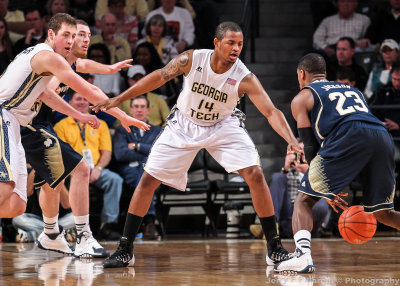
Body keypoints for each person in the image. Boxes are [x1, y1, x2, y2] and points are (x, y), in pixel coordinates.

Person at [93, 21, 302, 268]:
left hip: (223, 124)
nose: (236, 48)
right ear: (216, 43)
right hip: (184, 122)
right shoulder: (191, 59)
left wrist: (291, 139)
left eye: (240, 44)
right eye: (231, 43)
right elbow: (158, 77)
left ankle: (274, 247)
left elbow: (271, 111)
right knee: (148, 179)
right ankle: (125, 249)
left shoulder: (245, 77)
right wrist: (119, 99)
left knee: (255, 173)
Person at [18, 15, 149, 257]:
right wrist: (85, 116)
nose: (85, 39)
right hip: (27, 124)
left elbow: (92, 78)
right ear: (64, 38)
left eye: (88, 35)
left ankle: (50, 234)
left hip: (36, 125)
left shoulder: (71, 63)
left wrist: (110, 73)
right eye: (79, 35)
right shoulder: (54, 63)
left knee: (51, 181)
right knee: (81, 169)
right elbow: (58, 93)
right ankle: (83, 237)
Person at [274, 53, 400, 273]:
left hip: (350, 135)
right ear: (325, 74)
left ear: (301, 74)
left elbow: (311, 147)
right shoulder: (353, 90)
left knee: (304, 199)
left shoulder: (302, 98)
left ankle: (302, 256)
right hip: (381, 136)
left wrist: (323, 189)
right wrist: (327, 187)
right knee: (383, 213)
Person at [54, 91, 124, 240]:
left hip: (95, 169)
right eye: (78, 98)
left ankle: (107, 225)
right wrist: (77, 171)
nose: (82, 102)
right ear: (70, 102)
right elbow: (60, 154)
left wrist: (98, 169)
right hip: (71, 171)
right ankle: (74, 225)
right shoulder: (61, 125)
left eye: (85, 99)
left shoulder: (101, 124)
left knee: (114, 180)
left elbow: (106, 153)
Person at [113, 95, 162, 239]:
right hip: (127, 169)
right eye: (136, 107)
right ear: (130, 110)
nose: (139, 110)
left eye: (142, 107)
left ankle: (137, 224)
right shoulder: (122, 129)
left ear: (148, 110)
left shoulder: (157, 131)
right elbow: (120, 154)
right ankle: (150, 221)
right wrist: (146, 154)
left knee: (145, 170)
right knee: (146, 170)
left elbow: (160, 153)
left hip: (148, 170)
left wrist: (136, 146)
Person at [269, 141, 330, 238]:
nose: (300, 156)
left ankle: (309, 233)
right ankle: (271, 227)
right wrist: (286, 167)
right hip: (289, 215)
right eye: (298, 152)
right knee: (277, 177)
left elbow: (325, 191)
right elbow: (277, 189)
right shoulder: (289, 171)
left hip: (308, 216)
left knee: (322, 203)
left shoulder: (318, 168)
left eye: (304, 152)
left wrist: (308, 172)